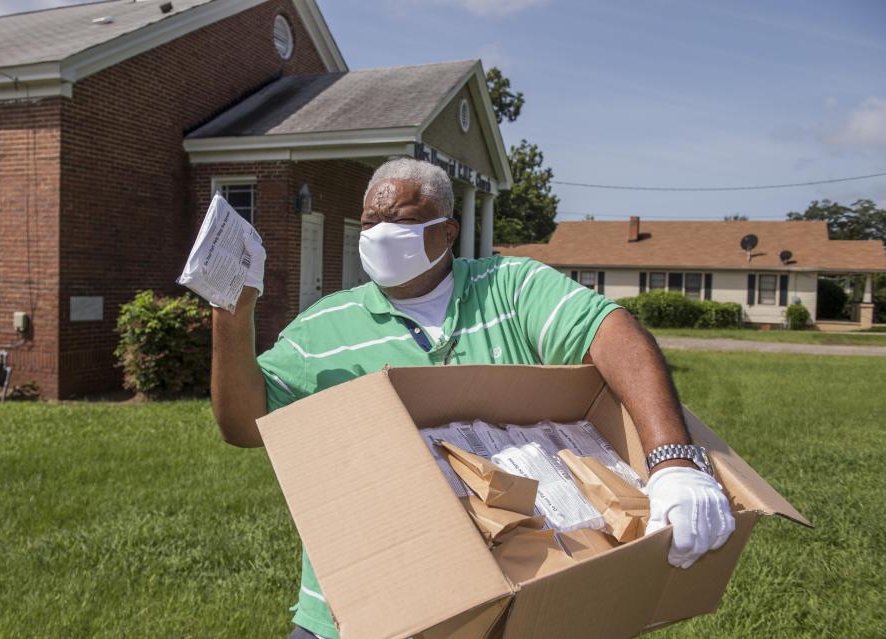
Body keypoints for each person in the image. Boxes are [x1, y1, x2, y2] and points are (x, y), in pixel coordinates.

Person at [210, 159, 735, 639]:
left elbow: (613, 333)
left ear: (447, 231)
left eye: (401, 220)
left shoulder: (510, 288)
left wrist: (672, 459)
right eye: (370, 222)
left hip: (509, 595)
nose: (379, 234)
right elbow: (243, 427)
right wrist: (231, 315)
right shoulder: (321, 329)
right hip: (354, 605)